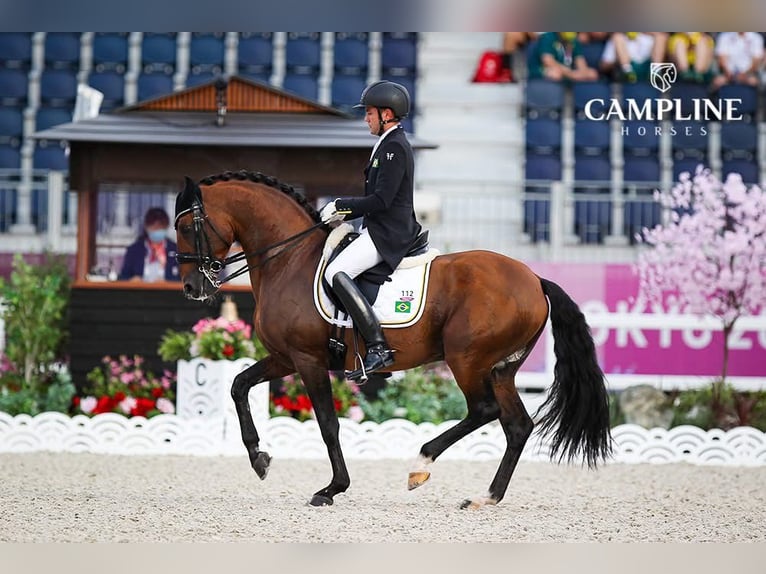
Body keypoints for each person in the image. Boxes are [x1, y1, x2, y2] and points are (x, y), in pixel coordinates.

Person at [319, 80, 422, 381]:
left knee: (335, 272)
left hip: (388, 233)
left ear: (386, 114)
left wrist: (342, 206)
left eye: (369, 113)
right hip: (378, 228)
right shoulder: (387, 143)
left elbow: (382, 200)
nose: (366, 118)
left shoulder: (394, 147)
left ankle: (378, 347)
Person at [118, 207, 180, 282]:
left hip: (167, 289)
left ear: (166, 227)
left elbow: (183, 279)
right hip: (140, 289)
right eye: (154, 227)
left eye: (160, 227)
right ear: (146, 227)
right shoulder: (134, 250)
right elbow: (122, 277)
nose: (157, 230)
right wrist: (132, 280)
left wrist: (167, 283)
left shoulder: (175, 250)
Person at [528, 32, 599, 82]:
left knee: (592, 74)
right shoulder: (548, 37)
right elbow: (548, 61)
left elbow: (580, 61)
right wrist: (571, 74)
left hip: (567, 73)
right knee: (555, 74)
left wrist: (583, 72)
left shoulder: (573, 40)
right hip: (542, 70)